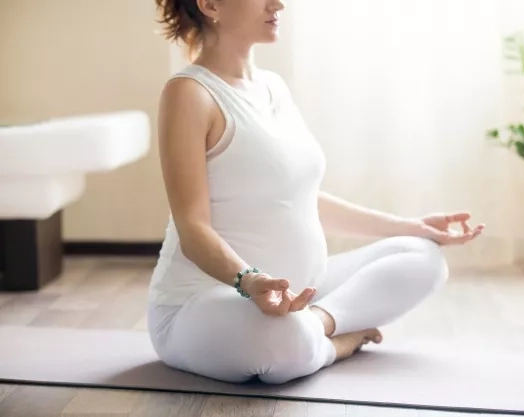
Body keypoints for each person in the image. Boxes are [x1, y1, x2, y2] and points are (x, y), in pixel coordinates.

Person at [147, 0, 485, 385]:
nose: (279, 4)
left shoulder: (273, 86)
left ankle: (318, 324)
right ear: (210, 4)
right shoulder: (190, 93)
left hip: (298, 290)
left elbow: (301, 200)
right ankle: (336, 343)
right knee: (276, 338)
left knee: (423, 256)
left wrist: (412, 226)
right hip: (207, 301)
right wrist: (249, 280)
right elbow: (192, 229)